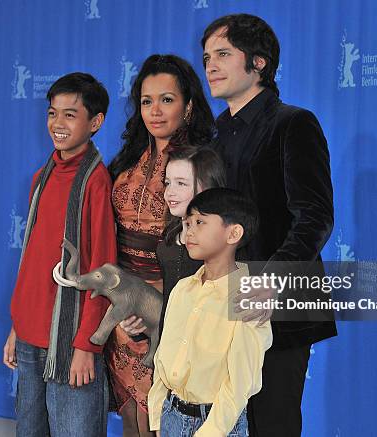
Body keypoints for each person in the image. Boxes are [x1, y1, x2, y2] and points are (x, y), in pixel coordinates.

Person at [201, 14, 337, 437]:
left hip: (278, 305)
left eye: (223, 54)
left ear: (258, 62)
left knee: (271, 423)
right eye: (206, 57)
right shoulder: (214, 134)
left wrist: (268, 281)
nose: (210, 66)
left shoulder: (293, 123)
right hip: (222, 300)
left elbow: (314, 217)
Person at [2, 72, 117, 437]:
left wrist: (87, 344)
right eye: (53, 113)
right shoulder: (43, 176)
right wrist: (16, 327)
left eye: (70, 114)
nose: (58, 123)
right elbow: (34, 261)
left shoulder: (96, 182)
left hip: (70, 342)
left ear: (95, 122)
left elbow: (103, 271)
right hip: (30, 336)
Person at [107, 54, 214, 437]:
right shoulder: (127, 161)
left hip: (170, 308)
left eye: (166, 99)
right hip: (119, 306)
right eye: (147, 101)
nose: (155, 110)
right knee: (131, 415)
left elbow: (205, 247)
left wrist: (158, 306)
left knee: (164, 416)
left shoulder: (201, 163)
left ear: (188, 107)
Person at [148, 188, 273, 437]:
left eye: (200, 222)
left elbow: (239, 385)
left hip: (217, 425)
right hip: (171, 416)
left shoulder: (249, 298)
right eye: (187, 223)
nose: (189, 232)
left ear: (234, 233)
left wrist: (210, 432)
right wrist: (158, 414)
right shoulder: (183, 289)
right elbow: (164, 355)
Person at [121, 145, 226, 341]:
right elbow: (171, 307)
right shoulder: (170, 237)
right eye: (168, 183)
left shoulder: (225, 244)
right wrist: (142, 326)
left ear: (208, 186)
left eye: (181, 183)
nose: (169, 192)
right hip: (170, 358)